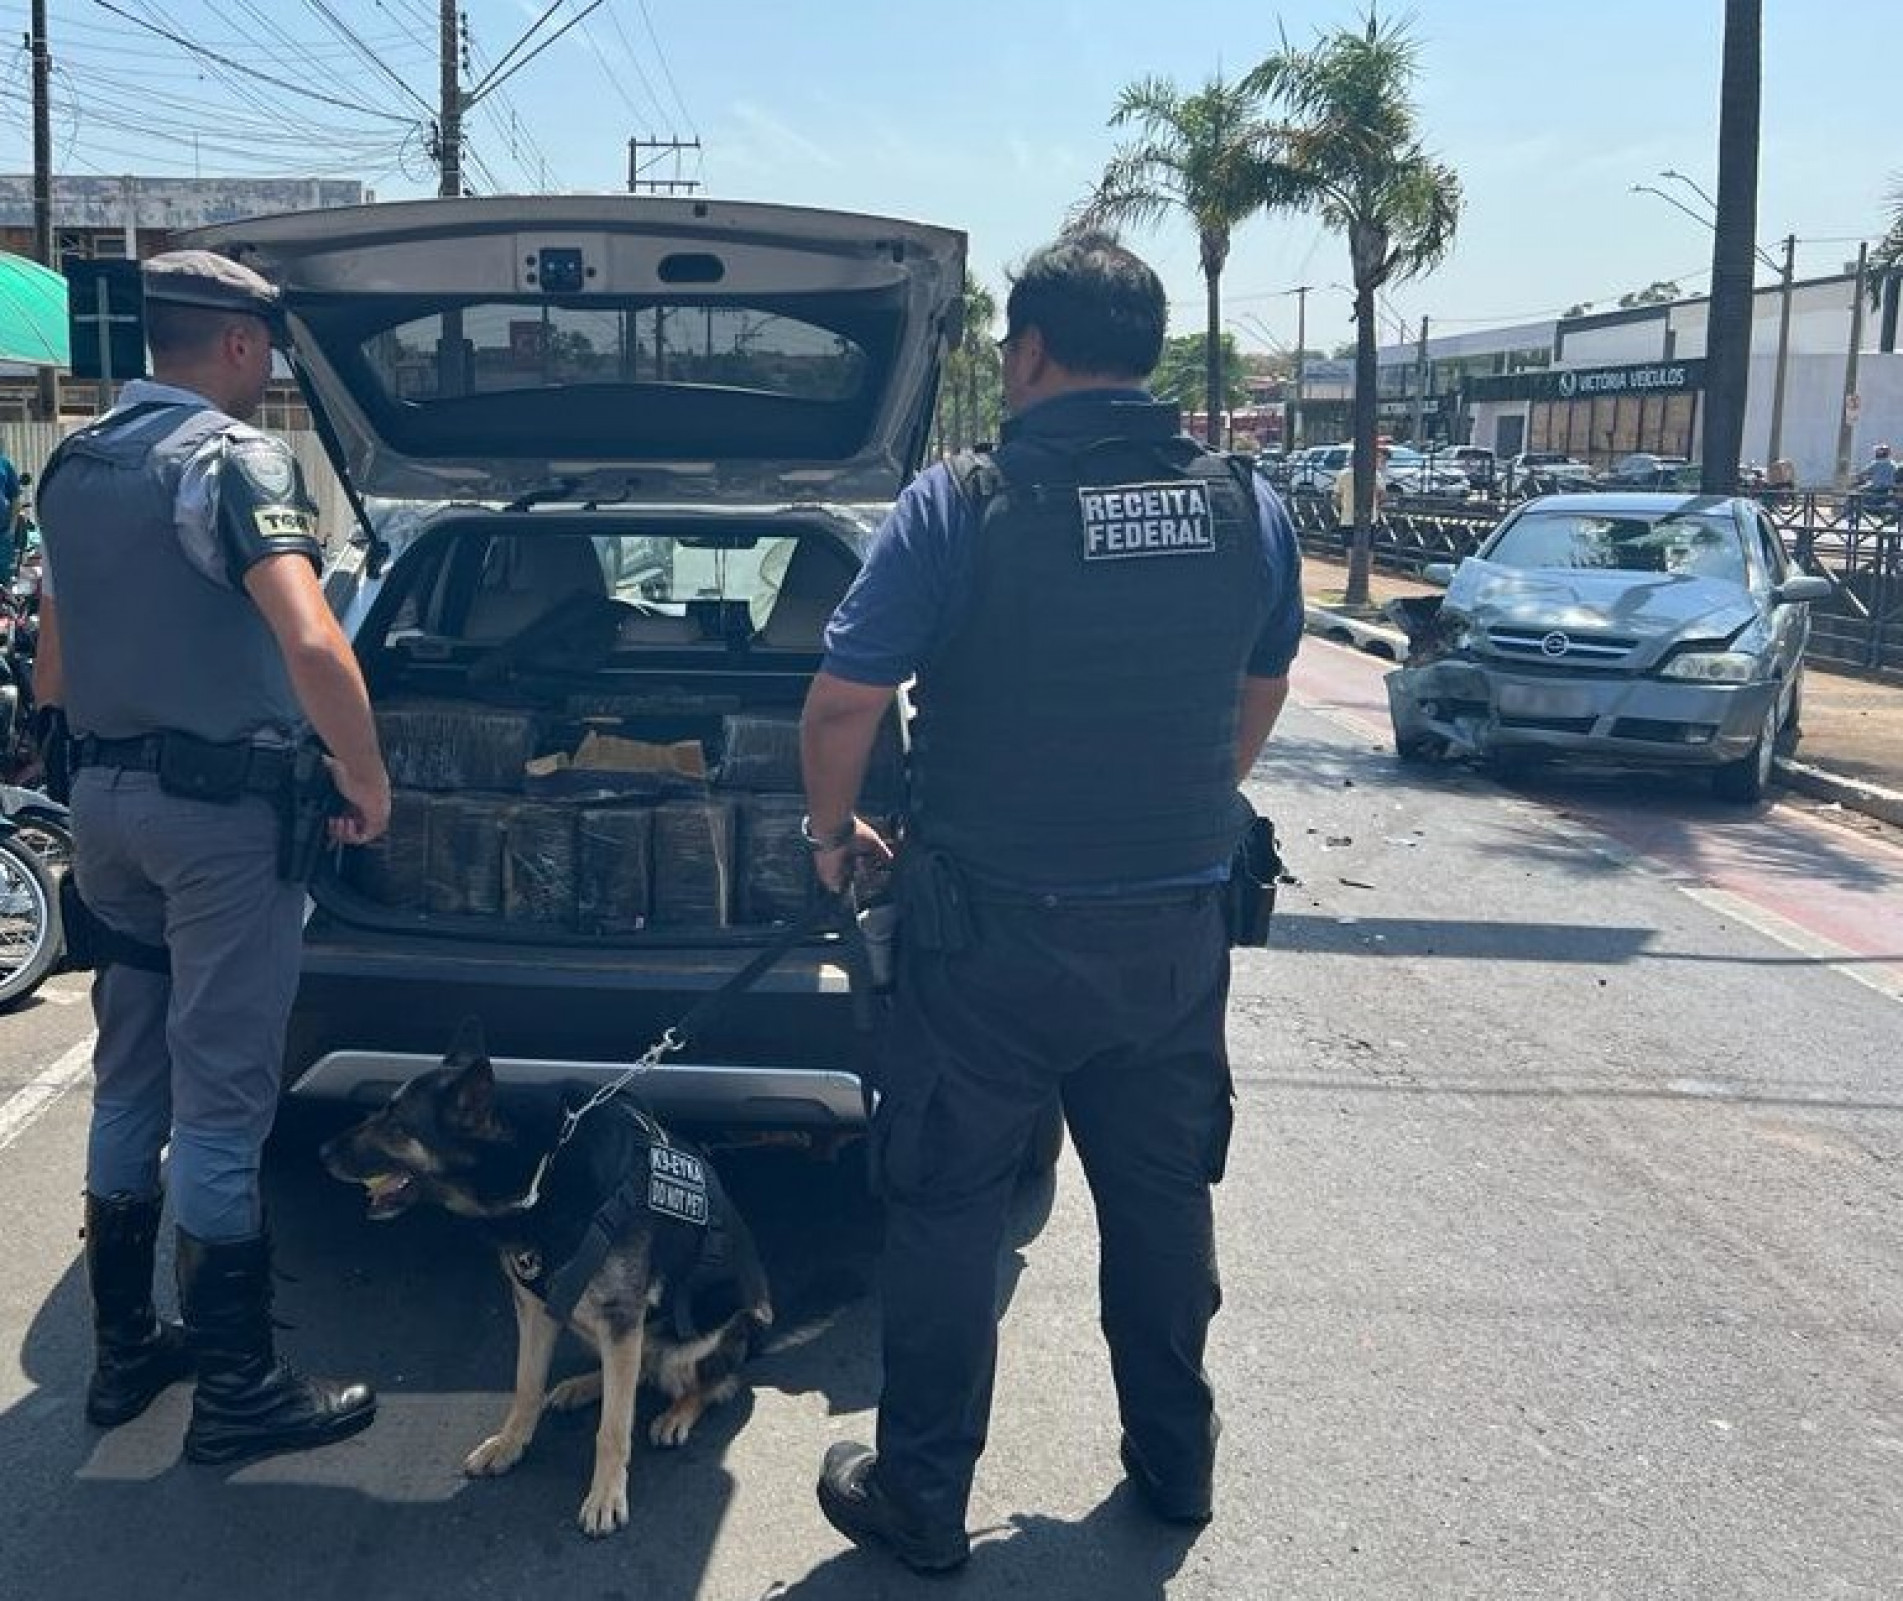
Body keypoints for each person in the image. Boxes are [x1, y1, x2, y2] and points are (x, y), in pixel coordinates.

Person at [798, 231, 1303, 1572]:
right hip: (1172, 933)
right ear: (1145, 356)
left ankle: (920, 1496)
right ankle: (1174, 1462)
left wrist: (831, 834)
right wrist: (1189, 802)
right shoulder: (1246, 504)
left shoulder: (960, 505)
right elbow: (1259, 682)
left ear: (1024, 353)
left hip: (988, 943)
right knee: (1157, 1197)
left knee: (950, 1207)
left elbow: (847, 696)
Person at [32, 250, 392, 1464]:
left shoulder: (78, 464)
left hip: (105, 806)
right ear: (238, 343)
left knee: (132, 1076)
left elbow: (54, 667)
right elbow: (312, 640)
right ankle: (240, 1390)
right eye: (270, 347)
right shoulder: (231, 461)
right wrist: (365, 774)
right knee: (227, 1101)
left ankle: (127, 1349)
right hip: (218, 829)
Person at [1334, 435, 1391, 527]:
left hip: (1347, 520)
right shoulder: (1374, 474)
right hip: (1369, 519)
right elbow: (1382, 495)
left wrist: (1345, 506)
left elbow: (1336, 497)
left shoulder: (1343, 474)